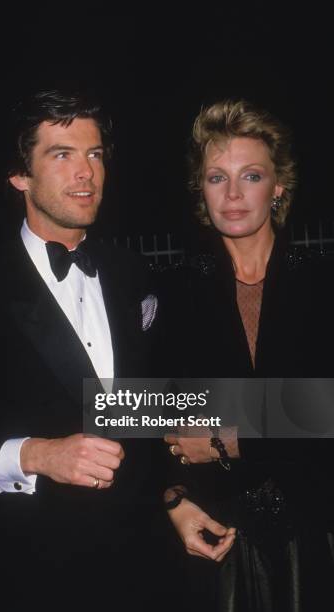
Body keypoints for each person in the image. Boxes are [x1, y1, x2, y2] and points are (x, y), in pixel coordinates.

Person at [0, 90, 172, 610]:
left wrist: (175, 500)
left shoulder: (133, 274)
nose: (86, 172)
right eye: (62, 154)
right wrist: (36, 454)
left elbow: (141, 412)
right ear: (19, 175)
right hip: (30, 575)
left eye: (94, 154)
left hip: (145, 568)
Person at [161, 99, 334, 611]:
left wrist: (230, 438)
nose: (233, 194)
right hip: (217, 542)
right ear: (201, 189)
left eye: (251, 175)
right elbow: (145, 412)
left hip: (320, 535)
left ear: (278, 185)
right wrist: (170, 500)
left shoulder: (323, 287)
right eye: (217, 178)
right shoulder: (170, 296)